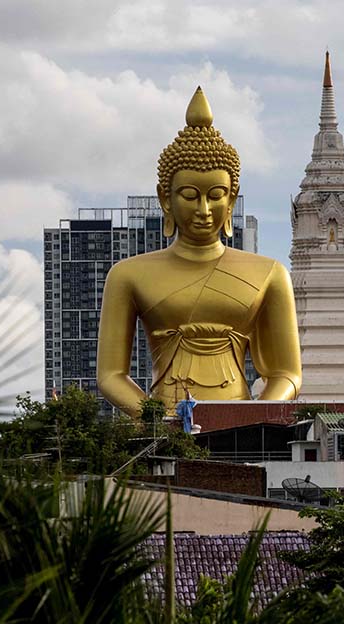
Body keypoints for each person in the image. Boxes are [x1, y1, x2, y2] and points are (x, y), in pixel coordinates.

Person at [96, 87, 302, 417]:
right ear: (166, 198)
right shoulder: (128, 275)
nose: (204, 209)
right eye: (190, 195)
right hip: (163, 421)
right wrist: (154, 419)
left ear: (232, 199)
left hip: (239, 421)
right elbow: (110, 375)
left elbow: (287, 374)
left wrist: (251, 418)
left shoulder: (270, 273)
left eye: (216, 195)